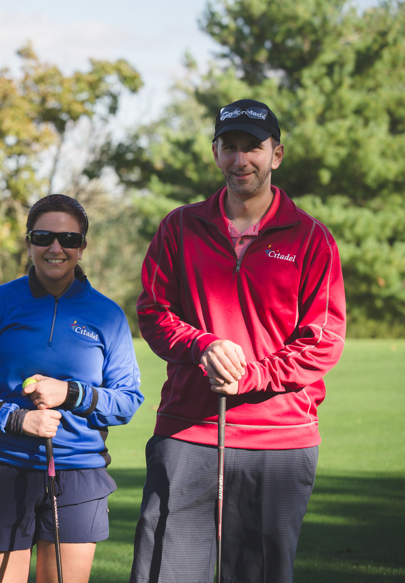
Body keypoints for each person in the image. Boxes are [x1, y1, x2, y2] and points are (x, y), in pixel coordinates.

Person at [129, 99, 346, 582]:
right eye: (230, 146)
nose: (240, 159)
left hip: (279, 440)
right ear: (215, 153)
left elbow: (323, 340)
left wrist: (251, 376)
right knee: (167, 572)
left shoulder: (312, 238)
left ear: (276, 155)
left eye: (253, 147)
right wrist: (201, 345)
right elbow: (153, 312)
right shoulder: (179, 227)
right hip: (188, 432)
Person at [0, 194, 145, 583]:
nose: (56, 248)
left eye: (68, 239)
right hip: (4, 467)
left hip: (79, 473)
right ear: (29, 243)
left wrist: (71, 394)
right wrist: (16, 419)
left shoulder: (107, 315)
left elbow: (127, 400)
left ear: (82, 247)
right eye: (43, 237)